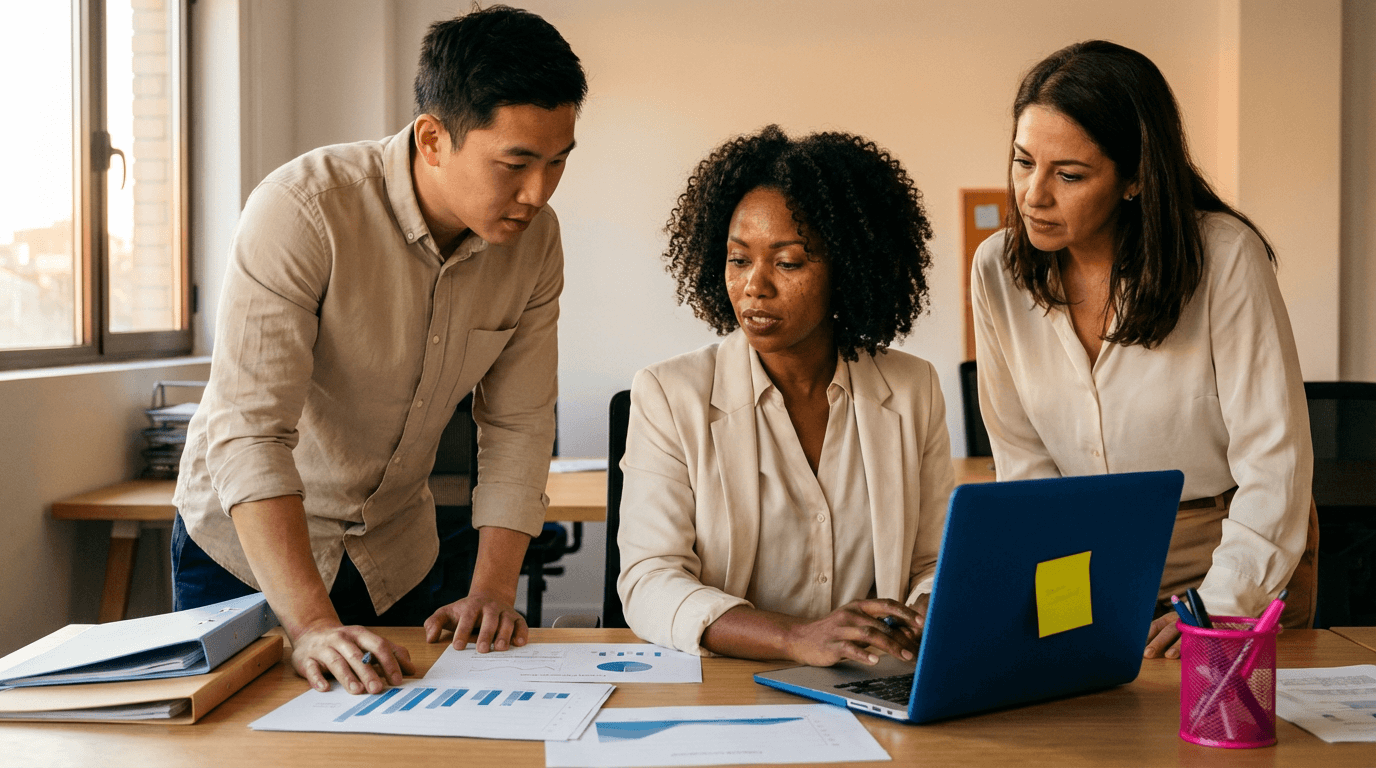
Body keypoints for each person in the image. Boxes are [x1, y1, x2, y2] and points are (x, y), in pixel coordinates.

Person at [171, 6, 586, 695]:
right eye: (514, 164)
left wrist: (491, 591)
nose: (536, 193)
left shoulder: (536, 243)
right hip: (248, 559)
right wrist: (308, 624)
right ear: (432, 139)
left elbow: (518, 424)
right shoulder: (304, 211)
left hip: (395, 554)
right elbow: (250, 431)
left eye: (557, 163)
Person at [971, 40, 1317, 660]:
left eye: (1069, 174)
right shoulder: (996, 269)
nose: (1033, 195)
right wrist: (1068, 610)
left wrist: (1219, 608)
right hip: (1082, 565)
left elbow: (1275, 465)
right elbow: (1022, 462)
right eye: (1024, 162)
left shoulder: (1225, 259)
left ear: (1135, 177)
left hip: (1222, 561)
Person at [617, 125, 953, 665]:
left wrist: (927, 609)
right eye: (738, 259)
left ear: (848, 268)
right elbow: (649, 580)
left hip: (873, 681)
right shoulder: (669, 394)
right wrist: (794, 638)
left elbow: (935, 560)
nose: (755, 285)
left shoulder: (913, 389)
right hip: (727, 690)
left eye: (788, 262)